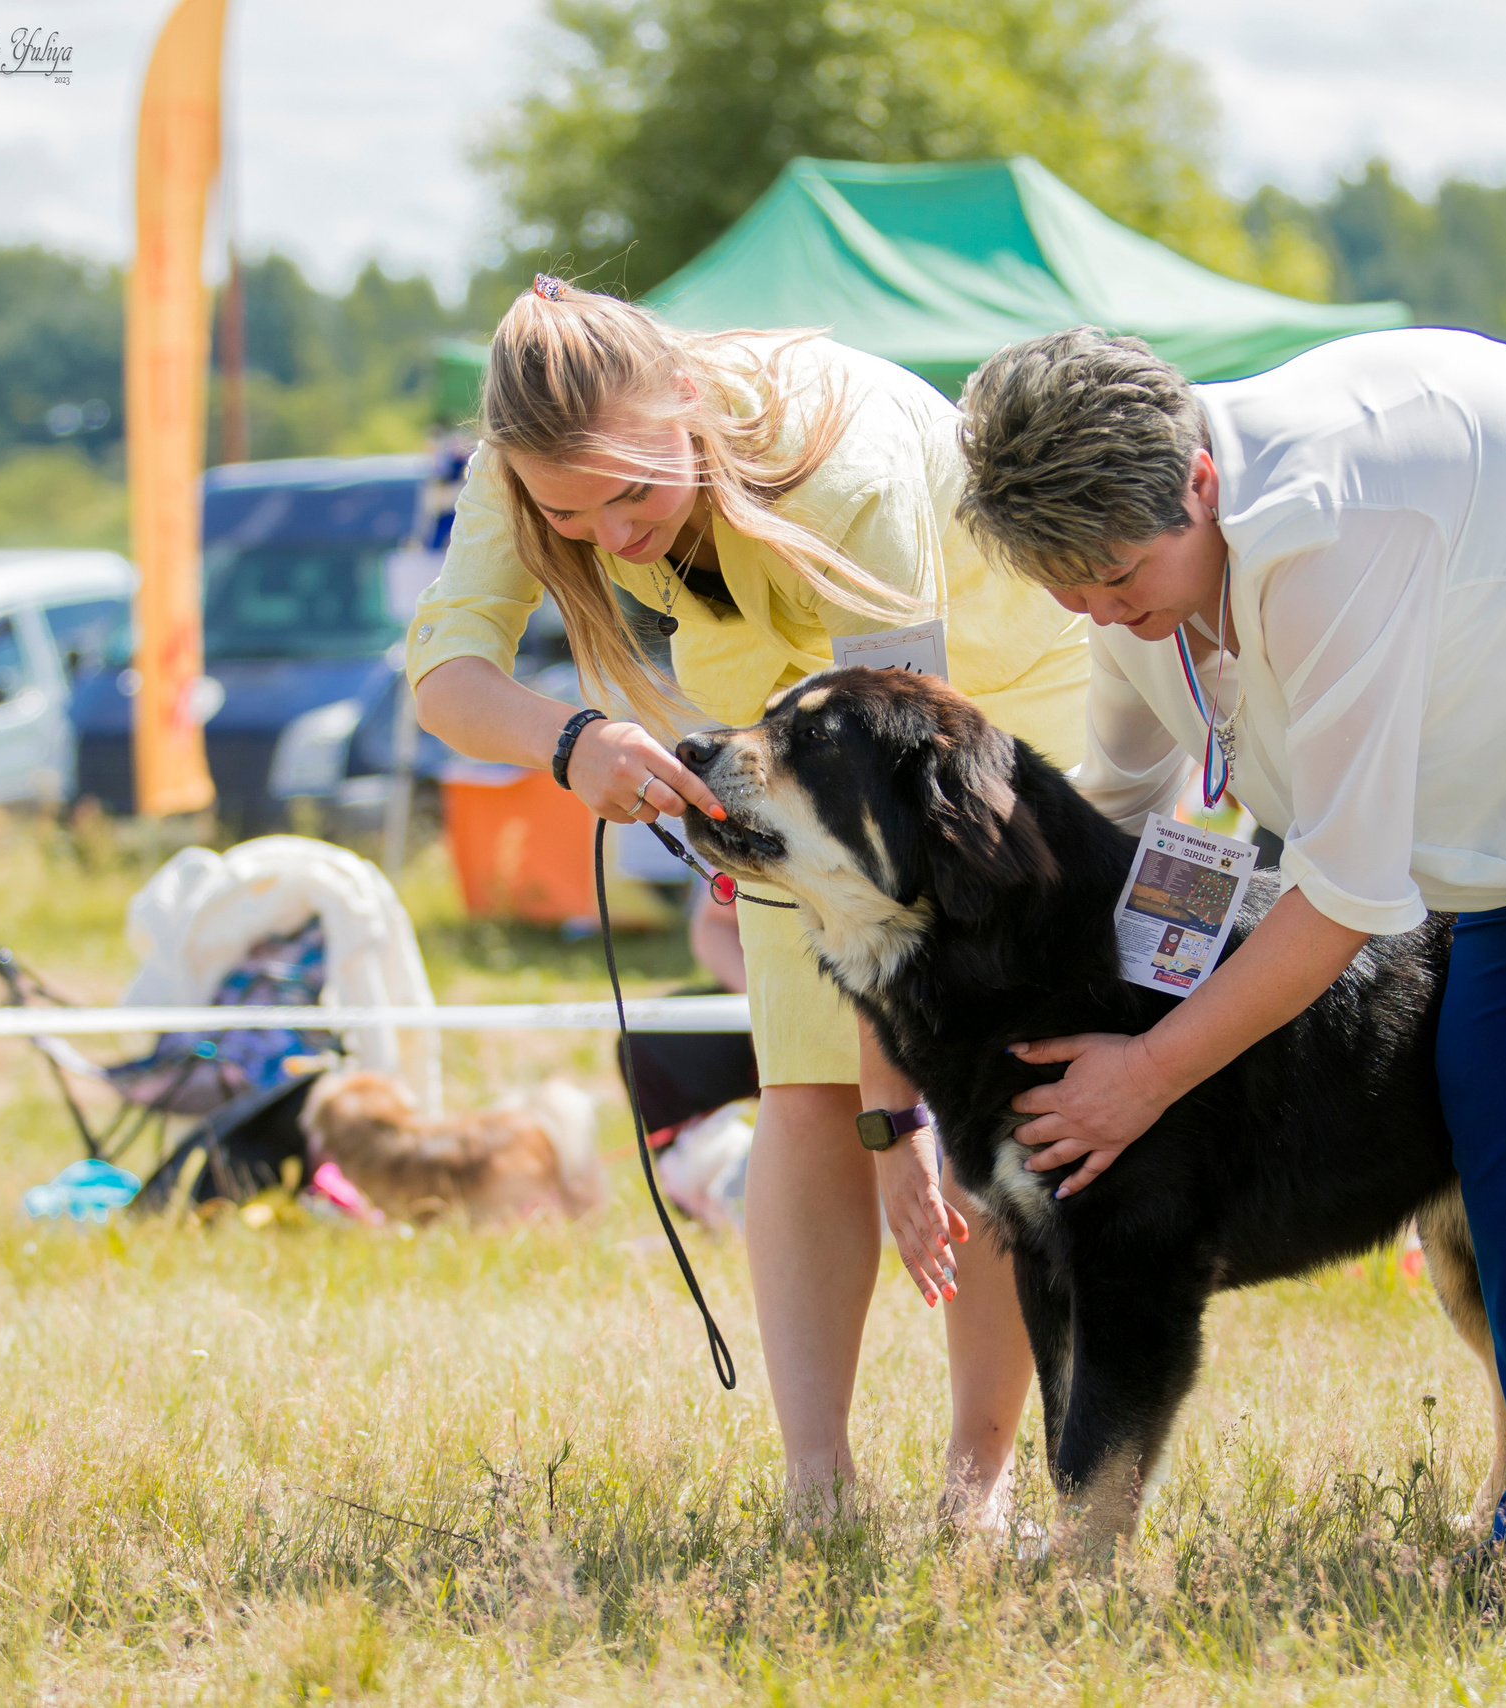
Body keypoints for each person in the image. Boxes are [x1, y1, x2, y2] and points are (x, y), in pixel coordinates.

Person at [955, 326, 1506, 1556]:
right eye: (1065, 588)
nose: (1097, 610)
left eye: (1115, 577)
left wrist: (1146, 1077)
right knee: (1485, 1087)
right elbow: (1112, 811)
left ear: (1201, 487)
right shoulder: (1130, 564)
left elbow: (1340, 897)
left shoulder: (1334, 527)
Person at [406, 279, 1091, 1525]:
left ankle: (975, 1491)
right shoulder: (528, 470)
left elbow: (904, 815)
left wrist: (906, 1114)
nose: (607, 535)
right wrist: (572, 740)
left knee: (980, 1090)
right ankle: (817, 1489)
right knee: (802, 1086)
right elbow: (447, 674)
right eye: (571, 509)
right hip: (772, 713)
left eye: (632, 494)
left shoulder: (852, 472)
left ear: (688, 404)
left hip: (982, 715)